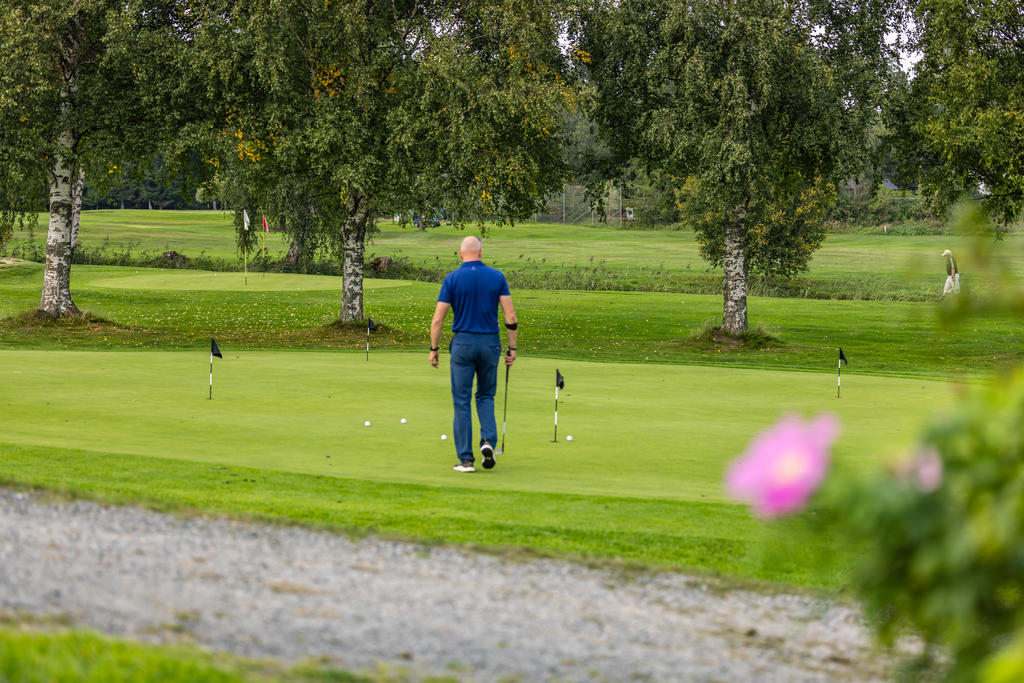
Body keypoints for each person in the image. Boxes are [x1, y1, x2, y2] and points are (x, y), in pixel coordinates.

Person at [429, 236, 517, 472]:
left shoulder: (452, 279)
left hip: (463, 344)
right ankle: (487, 440)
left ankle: (466, 460)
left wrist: (434, 349)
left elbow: (438, 319)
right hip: (490, 344)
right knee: (486, 395)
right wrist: (512, 348)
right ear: (481, 252)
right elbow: (510, 317)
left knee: (462, 401)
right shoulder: (497, 277)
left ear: (460, 254)